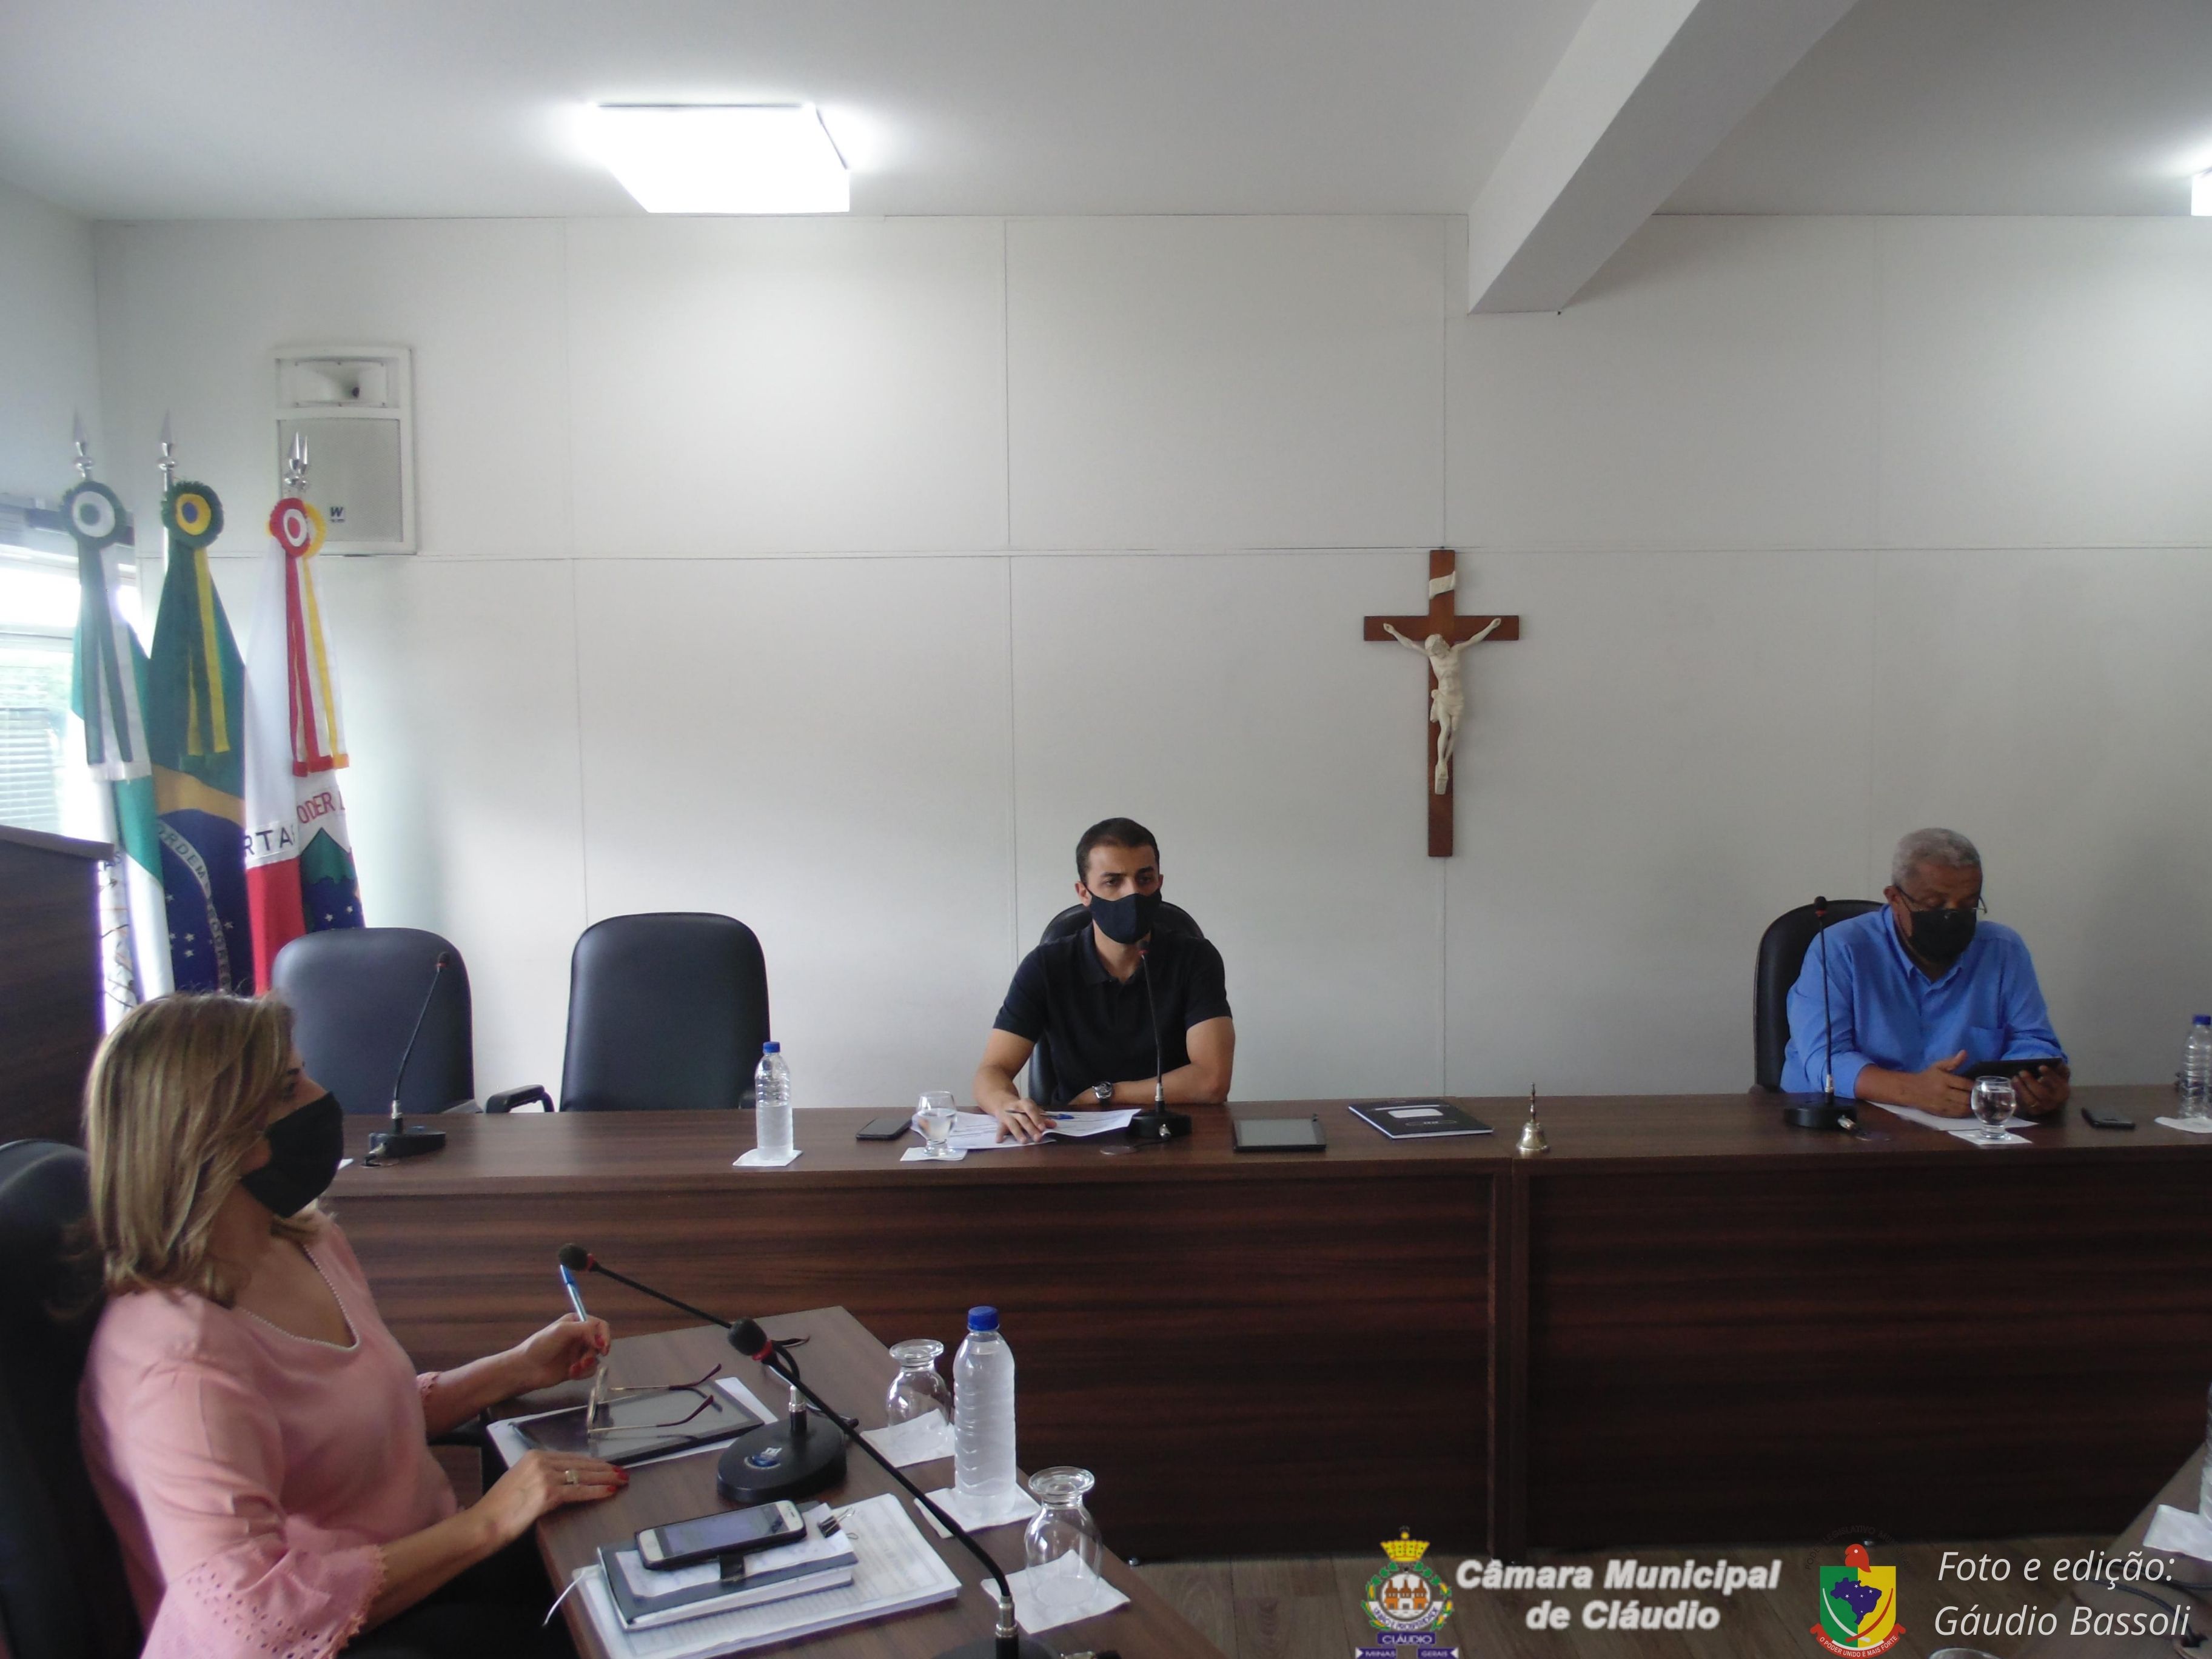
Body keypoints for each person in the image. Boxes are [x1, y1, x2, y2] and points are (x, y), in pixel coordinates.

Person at [78, 993, 628, 1659]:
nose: (321, 1097)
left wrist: (515, 1369)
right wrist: (489, 1522)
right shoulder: (179, 1363)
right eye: (289, 1088)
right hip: (333, 1638)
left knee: (632, 1554)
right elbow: (250, 1624)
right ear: (213, 1133)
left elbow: (352, 1428)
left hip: (425, 1575)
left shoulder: (304, 1241)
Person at [974, 817, 1235, 1142]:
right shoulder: (1045, 966)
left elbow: (1212, 1081)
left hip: (1172, 1132)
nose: (1133, 893)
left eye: (1144, 879)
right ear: (1084, 893)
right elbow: (992, 1071)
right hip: (1071, 1135)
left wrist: (1105, 1094)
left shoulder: (1195, 958)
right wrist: (1004, 1104)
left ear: (1160, 882)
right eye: (1113, 882)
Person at [1781, 828, 2070, 1116]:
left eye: (1968, 905)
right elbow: (1824, 1060)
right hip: (1843, 1119)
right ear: (1895, 898)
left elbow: (2033, 1041)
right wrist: (1913, 1091)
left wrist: (2035, 1085)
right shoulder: (1840, 949)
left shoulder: (2003, 950)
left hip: (1968, 1124)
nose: (1952, 915)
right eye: (1935, 905)